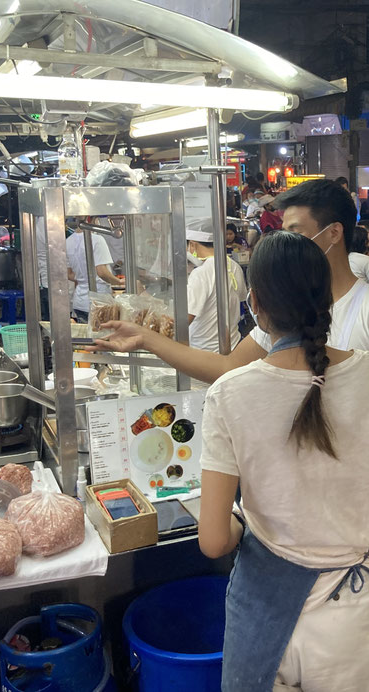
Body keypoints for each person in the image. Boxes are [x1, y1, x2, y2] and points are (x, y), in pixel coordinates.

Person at [198, 231, 369, 691]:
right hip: (353, 621)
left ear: (254, 303)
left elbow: (214, 542)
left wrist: (239, 520)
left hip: (266, 612)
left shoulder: (229, 394)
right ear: (327, 298)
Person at [90, 179, 369, 383]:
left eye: (296, 232)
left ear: (334, 234)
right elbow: (228, 367)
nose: (287, 243)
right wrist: (146, 339)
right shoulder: (287, 306)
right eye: (284, 232)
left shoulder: (364, 308)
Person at [186, 220, 247, 352]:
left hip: (203, 350)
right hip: (231, 344)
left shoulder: (200, 274)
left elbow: (186, 318)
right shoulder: (234, 266)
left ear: (192, 245)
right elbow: (242, 298)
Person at [66, 222, 124, 322]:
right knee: (100, 336)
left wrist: (83, 278)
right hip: (98, 300)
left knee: (84, 336)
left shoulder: (68, 241)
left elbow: (69, 274)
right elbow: (101, 272)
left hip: (79, 301)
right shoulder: (97, 240)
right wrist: (118, 282)